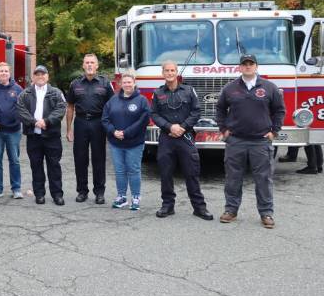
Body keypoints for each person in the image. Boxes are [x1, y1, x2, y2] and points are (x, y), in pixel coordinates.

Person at [216, 54, 286, 229]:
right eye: (244, 64)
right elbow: (220, 109)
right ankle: (231, 210)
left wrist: (274, 131)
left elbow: (279, 110)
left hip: (260, 142)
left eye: (251, 64)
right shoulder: (230, 88)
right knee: (233, 178)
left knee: (263, 179)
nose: (247, 66)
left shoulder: (269, 88)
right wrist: (224, 130)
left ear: (256, 66)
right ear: (239, 67)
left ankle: (266, 213)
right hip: (236, 141)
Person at [150, 61, 213, 220]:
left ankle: (199, 208)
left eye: (172, 70)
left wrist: (182, 127)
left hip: (185, 136)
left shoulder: (189, 90)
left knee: (191, 173)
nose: (170, 73)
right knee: (165, 173)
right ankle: (167, 206)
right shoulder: (157, 93)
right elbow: (154, 114)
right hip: (167, 137)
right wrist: (170, 127)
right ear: (162, 73)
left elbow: (196, 111)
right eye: (167, 71)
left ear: (177, 72)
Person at [66, 54, 114, 204]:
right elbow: (70, 107)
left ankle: (99, 192)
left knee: (99, 159)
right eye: (87, 62)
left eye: (92, 62)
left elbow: (112, 106)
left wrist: (110, 128)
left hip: (98, 123)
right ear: (83, 65)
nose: (89, 65)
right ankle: (82, 191)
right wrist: (69, 129)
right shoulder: (75, 84)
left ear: (97, 66)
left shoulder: (105, 84)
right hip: (80, 123)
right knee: (80, 159)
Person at [17, 65, 67, 205]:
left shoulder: (56, 92)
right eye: (37, 74)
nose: (40, 77)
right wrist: (34, 122)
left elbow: (61, 109)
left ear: (47, 76)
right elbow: (21, 110)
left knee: (54, 166)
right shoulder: (25, 93)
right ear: (33, 77)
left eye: (43, 74)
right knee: (36, 166)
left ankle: (57, 195)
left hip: (52, 137)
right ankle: (39, 194)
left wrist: (46, 121)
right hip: (33, 137)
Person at [101, 72, 150, 211]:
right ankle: (121, 197)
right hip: (116, 143)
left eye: (130, 82)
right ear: (120, 84)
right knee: (120, 171)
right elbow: (105, 119)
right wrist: (113, 131)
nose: (127, 84)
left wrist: (126, 133)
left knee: (133, 170)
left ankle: (135, 197)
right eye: (125, 82)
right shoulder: (112, 101)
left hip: (134, 143)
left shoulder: (142, 100)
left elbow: (144, 120)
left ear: (134, 83)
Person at [0, 62, 24, 200]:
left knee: (14, 160)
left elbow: (23, 108)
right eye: (1, 71)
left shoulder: (18, 89)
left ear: (10, 73)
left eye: (6, 71)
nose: (3, 73)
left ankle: (16, 188)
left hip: (14, 131)